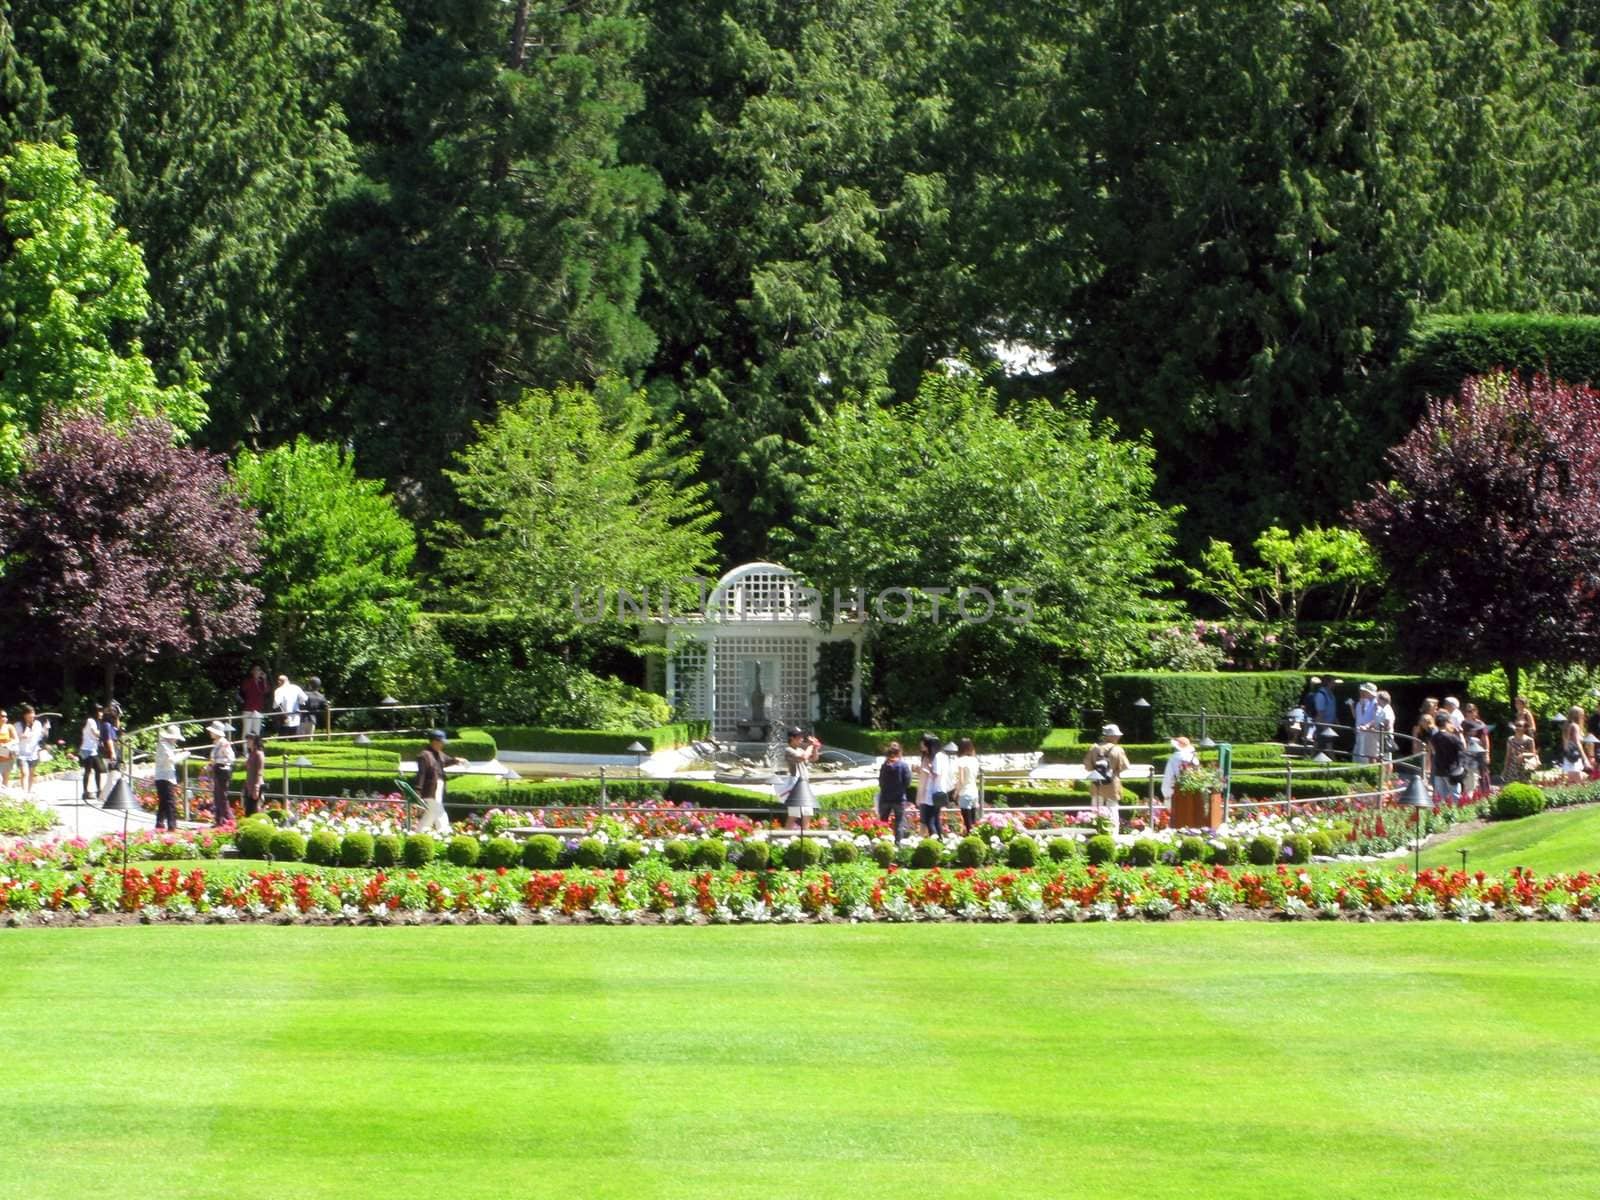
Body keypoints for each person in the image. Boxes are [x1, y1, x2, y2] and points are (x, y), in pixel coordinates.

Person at [414, 729, 463, 834]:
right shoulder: (424, 756)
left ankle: (419, 834)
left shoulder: (439, 754)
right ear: (435, 742)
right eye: (441, 742)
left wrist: (456, 760)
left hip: (438, 788)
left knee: (430, 814)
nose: (442, 745)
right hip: (430, 790)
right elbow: (421, 775)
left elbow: (446, 761)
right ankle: (445, 834)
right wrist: (417, 793)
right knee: (439, 812)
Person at [1083, 724, 1130, 824]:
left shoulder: (1094, 748)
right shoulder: (1118, 749)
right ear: (1111, 736)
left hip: (1097, 783)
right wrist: (1114, 771)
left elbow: (1087, 767)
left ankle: (1096, 831)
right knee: (1112, 810)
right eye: (1116, 735)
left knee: (1095, 810)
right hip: (1112, 783)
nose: (1119, 737)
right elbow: (1125, 766)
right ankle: (1113, 833)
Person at [780, 726, 821, 829]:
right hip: (795, 785)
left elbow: (814, 758)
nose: (802, 739)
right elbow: (803, 757)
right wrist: (811, 746)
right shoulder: (788, 750)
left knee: (807, 812)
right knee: (794, 814)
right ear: (792, 738)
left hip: (804, 783)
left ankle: (805, 836)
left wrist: (815, 748)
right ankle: (786, 837)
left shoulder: (800, 749)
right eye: (799, 737)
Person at [916, 733, 954, 837]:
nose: (921, 744)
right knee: (936, 818)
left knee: (930, 820)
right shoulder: (944, 756)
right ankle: (940, 839)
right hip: (940, 790)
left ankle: (935, 839)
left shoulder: (937, 757)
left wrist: (925, 769)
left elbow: (936, 773)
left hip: (934, 792)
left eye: (923, 742)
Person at [153, 725, 189, 832]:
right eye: (176, 737)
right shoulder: (164, 745)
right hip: (165, 778)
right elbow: (171, 760)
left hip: (164, 777)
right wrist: (184, 755)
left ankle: (160, 824)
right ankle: (172, 826)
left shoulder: (166, 745)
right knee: (170, 802)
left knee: (164, 803)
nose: (176, 740)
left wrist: (180, 752)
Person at [875, 741, 912, 844]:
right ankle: (898, 844)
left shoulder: (884, 766)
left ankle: (882, 843)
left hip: (885, 798)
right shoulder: (903, 765)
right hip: (899, 798)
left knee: (883, 822)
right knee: (899, 822)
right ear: (899, 752)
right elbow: (908, 782)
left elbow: (881, 782)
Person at [1428, 717, 1465, 802]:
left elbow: (1433, 751)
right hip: (1452, 770)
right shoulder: (1452, 737)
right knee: (1455, 795)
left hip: (1439, 770)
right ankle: (1454, 813)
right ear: (1446, 723)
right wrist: (1460, 734)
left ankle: (1440, 813)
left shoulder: (1434, 737)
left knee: (1440, 797)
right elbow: (1463, 748)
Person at [14, 705, 48, 795]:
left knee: (31, 774)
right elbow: (15, 739)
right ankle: (24, 793)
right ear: (24, 715)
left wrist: (45, 731)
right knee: (24, 773)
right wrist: (25, 732)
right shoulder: (18, 725)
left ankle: (28, 792)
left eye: (33, 713)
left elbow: (40, 737)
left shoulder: (37, 724)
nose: (32, 716)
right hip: (21, 753)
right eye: (30, 714)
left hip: (33, 754)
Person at [206, 721, 236, 825]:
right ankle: (219, 820)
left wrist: (217, 761)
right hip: (218, 769)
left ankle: (228, 820)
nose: (210, 733)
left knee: (222, 796)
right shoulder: (217, 743)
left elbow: (231, 758)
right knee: (217, 795)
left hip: (223, 770)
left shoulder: (224, 743)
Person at [953, 737, 981, 834]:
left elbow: (961, 780)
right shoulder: (975, 760)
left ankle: (970, 843)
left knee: (967, 823)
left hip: (965, 792)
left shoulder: (961, 761)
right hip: (974, 792)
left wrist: (956, 793)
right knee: (973, 822)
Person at [78, 703, 105, 801]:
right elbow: (95, 733)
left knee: (97, 770)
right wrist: (105, 734)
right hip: (87, 749)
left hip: (91, 749)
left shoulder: (95, 721)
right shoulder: (91, 721)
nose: (101, 713)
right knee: (89, 771)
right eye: (99, 711)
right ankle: (86, 792)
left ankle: (98, 791)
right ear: (95, 712)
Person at [1161, 735, 1199, 802]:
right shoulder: (1194, 759)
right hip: (1192, 793)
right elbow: (1198, 775)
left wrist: (1166, 794)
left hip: (1176, 792)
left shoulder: (1173, 758)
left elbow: (1168, 777)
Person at [1502, 719, 1539, 784]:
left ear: (1525, 728)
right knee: (1511, 786)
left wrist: (1524, 754)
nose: (1517, 727)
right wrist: (1505, 770)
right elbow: (1508, 755)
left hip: (1524, 768)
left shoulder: (1529, 740)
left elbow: (1534, 754)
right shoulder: (1510, 739)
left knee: (1525, 785)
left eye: (1519, 726)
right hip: (1512, 768)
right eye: (1516, 725)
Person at [1560, 706, 1591, 781]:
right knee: (1578, 781)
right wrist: (1585, 759)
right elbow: (1578, 743)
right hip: (1575, 756)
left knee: (1571, 781)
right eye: (1582, 715)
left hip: (1568, 756)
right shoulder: (1575, 726)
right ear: (1578, 715)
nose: (1583, 717)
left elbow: (1565, 743)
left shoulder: (1566, 725)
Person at [239, 664, 270, 737]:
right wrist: (254, 680)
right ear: (252, 671)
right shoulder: (247, 681)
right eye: (256, 670)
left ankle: (255, 748)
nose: (257, 672)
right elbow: (244, 689)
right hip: (248, 709)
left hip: (258, 710)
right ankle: (245, 748)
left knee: (256, 732)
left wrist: (264, 679)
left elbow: (266, 691)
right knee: (246, 731)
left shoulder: (262, 683)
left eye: (259, 670)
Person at [1352, 683, 1380, 763]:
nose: (1362, 692)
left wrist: (1366, 726)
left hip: (1369, 734)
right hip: (1361, 732)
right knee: (1358, 756)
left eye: (1364, 691)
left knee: (1367, 757)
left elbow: (1376, 719)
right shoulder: (1366, 702)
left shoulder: (1376, 703)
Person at [242, 734, 266, 817]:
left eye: (250, 740)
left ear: (255, 741)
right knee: (248, 809)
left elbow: (259, 772)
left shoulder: (259, 754)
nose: (247, 742)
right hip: (249, 786)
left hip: (256, 786)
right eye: (247, 740)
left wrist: (256, 788)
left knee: (252, 810)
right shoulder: (251, 754)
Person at [0, 708, 14, 790]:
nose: (5, 718)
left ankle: (3, 797)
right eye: (2, 716)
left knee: (5, 778)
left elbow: (16, 739)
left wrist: (7, 744)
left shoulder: (9, 727)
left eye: (6, 716)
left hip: (5, 753)